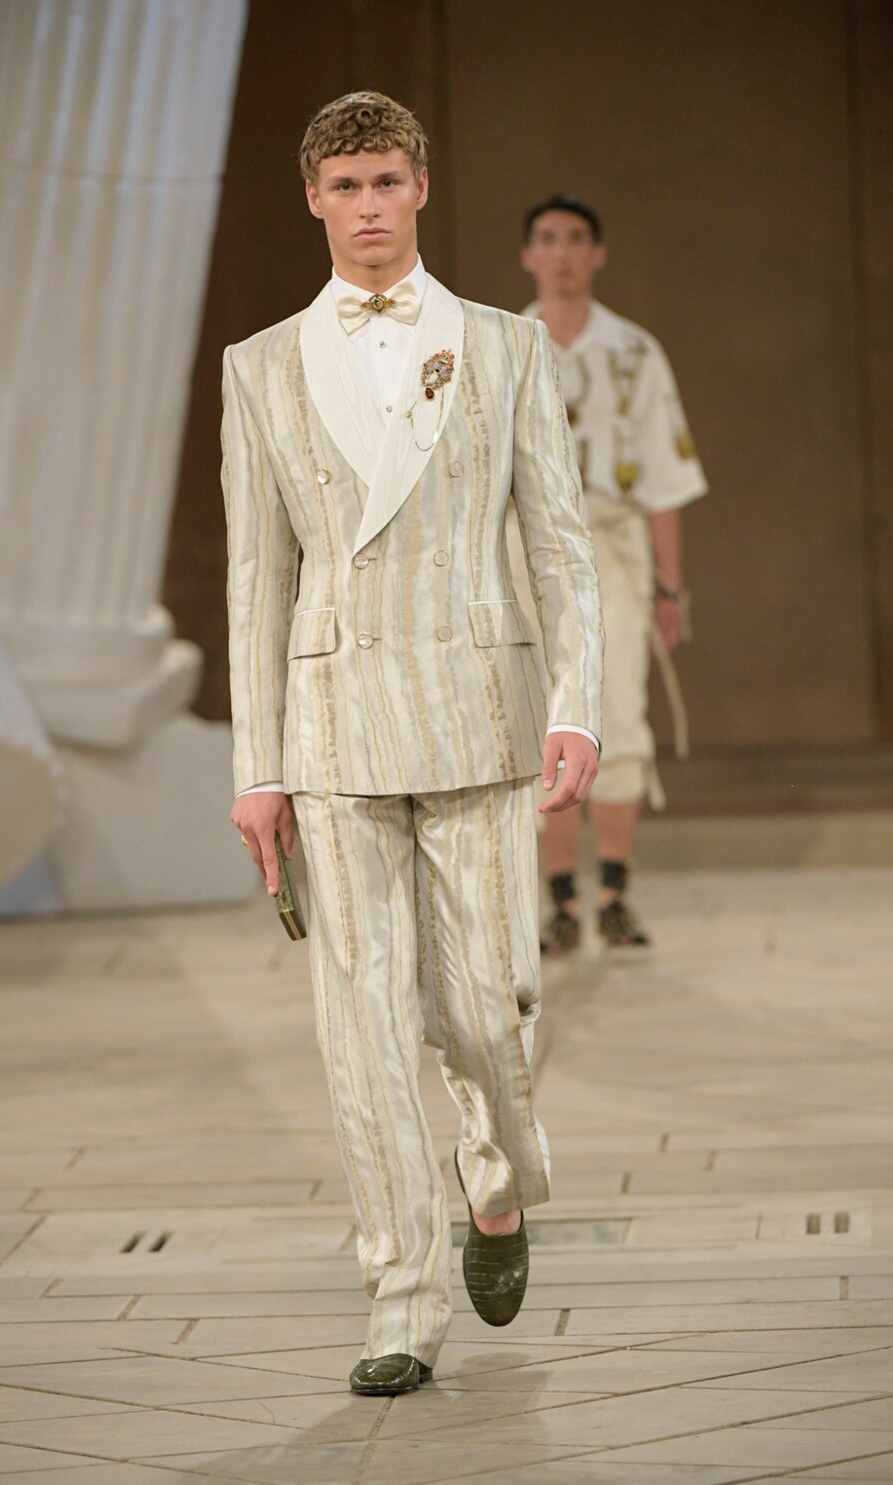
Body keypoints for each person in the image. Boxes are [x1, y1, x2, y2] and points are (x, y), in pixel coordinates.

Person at [223, 95, 603, 1396]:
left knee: (490, 1008)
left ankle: (496, 1174)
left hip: (477, 714)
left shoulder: (503, 345)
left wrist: (574, 706)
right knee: (363, 1023)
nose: (369, 205)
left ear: (421, 187)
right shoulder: (259, 365)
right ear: (313, 200)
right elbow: (258, 577)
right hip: (332, 727)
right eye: (345, 186)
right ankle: (399, 1295)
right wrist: (257, 766)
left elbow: (561, 544)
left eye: (387, 180)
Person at [520, 195, 708, 952]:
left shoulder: (635, 351)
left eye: (575, 239)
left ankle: (614, 893)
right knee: (541, 722)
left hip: (615, 555)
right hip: (529, 557)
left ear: (596, 253)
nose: (562, 253)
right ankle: (562, 903)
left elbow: (664, 477)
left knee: (620, 717)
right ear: (528, 255)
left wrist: (670, 586)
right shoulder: (506, 345)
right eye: (547, 239)